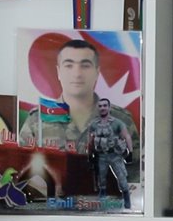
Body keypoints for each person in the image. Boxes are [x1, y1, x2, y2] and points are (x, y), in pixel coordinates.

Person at [18, 38, 141, 182]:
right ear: (58, 72)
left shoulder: (121, 119)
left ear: (97, 72)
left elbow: (135, 176)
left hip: (106, 196)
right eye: (69, 65)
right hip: (53, 196)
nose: (77, 74)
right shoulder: (37, 120)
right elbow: (23, 173)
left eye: (85, 65)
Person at [88, 98, 133, 209]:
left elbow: (126, 136)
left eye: (105, 105)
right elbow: (90, 140)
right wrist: (90, 154)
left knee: (121, 177)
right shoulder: (94, 124)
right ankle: (102, 197)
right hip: (101, 156)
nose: (102, 108)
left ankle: (126, 198)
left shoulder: (117, 123)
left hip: (115, 155)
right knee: (101, 179)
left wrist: (130, 152)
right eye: (100, 106)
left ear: (109, 107)